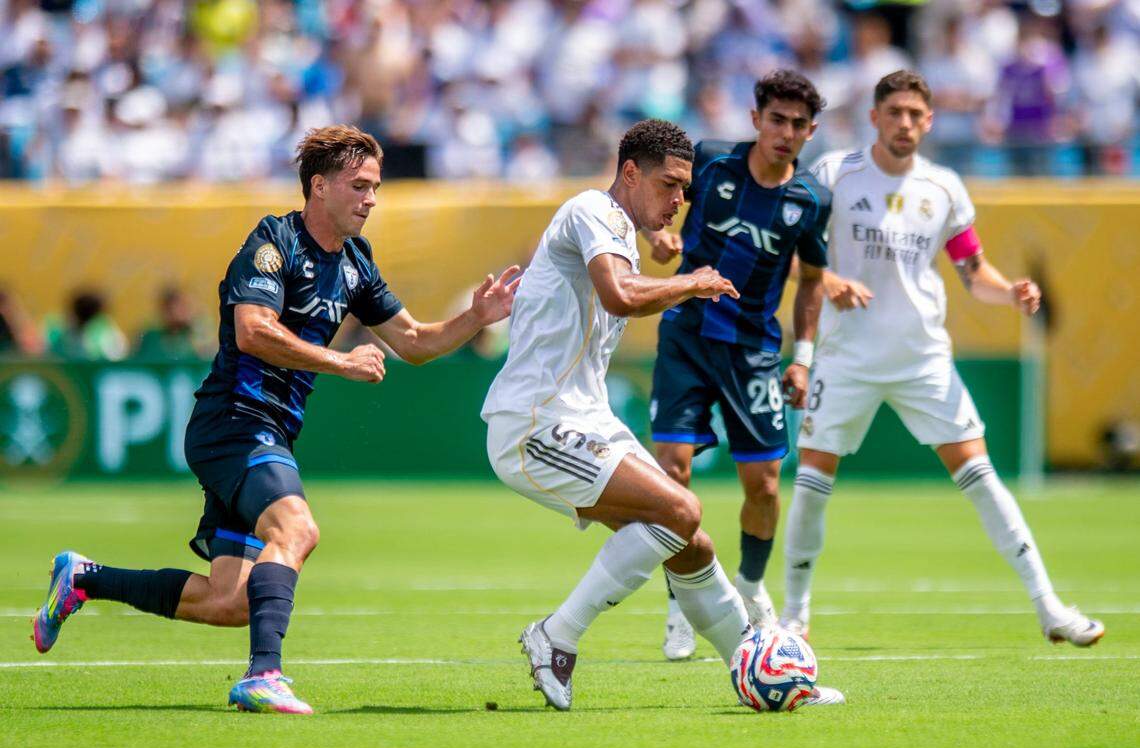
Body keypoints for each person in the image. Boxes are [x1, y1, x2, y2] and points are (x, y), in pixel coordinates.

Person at [33, 124, 520, 714]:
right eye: (360, 186)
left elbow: (414, 341)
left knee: (228, 602)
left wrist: (477, 318)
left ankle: (84, 579)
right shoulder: (273, 243)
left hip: (267, 430)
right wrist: (340, 360)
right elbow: (254, 331)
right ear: (319, 185)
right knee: (297, 531)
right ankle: (264, 674)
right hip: (234, 421)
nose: (372, 199)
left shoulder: (356, 263)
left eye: (376, 188)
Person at [482, 118, 843, 712]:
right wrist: (690, 282)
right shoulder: (589, 211)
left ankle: (757, 672)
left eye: (685, 188)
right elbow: (620, 295)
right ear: (630, 173)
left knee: (691, 543)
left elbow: (624, 281)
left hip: (582, 417)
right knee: (680, 507)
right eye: (671, 185)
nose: (681, 200)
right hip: (533, 422)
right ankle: (557, 635)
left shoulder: (619, 227)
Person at [779, 71, 1104, 648]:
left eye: (916, 114)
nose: (905, 123)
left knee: (980, 477)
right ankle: (794, 617)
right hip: (845, 356)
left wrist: (1011, 293)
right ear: (875, 117)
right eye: (895, 112)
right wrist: (827, 280)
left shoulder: (944, 188)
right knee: (810, 479)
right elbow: (791, 252)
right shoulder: (832, 174)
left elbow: (971, 270)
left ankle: (1049, 607)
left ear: (929, 122)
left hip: (921, 358)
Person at [640, 70, 864, 661]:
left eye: (798, 125)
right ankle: (683, 601)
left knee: (763, 484)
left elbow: (812, 280)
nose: (785, 133)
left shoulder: (811, 199)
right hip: (686, 335)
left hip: (755, 353)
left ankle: (748, 587)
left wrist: (804, 359)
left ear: (811, 131)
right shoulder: (711, 162)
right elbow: (666, 213)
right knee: (672, 475)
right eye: (776, 120)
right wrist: (662, 239)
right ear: (755, 120)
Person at [134, 285, 214, 361]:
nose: (184, 311)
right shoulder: (150, 338)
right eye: (179, 306)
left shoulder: (196, 337)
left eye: (186, 306)